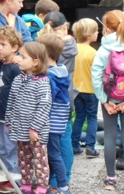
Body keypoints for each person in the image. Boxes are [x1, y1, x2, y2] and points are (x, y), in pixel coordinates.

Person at [5, 42, 52, 194]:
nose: (18, 59)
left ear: (35, 62)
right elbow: (11, 102)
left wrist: (35, 128)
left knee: (39, 160)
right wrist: (9, 121)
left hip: (36, 133)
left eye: (23, 57)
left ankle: (41, 187)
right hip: (19, 129)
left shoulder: (42, 83)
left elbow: (44, 107)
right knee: (23, 158)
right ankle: (25, 184)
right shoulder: (18, 80)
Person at [39, 11, 77, 189]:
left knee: (56, 147)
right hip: (65, 103)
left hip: (54, 107)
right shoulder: (68, 45)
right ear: (64, 27)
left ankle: (58, 181)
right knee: (62, 143)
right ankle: (60, 180)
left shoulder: (53, 51)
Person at [91, 10, 124, 190]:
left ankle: (111, 178)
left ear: (107, 28)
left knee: (110, 135)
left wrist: (103, 100)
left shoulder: (104, 49)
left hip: (110, 98)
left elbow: (96, 76)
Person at [36, 34, 71, 194]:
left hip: (51, 123)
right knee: (51, 154)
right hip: (59, 122)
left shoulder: (49, 76)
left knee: (53, 155)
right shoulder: (61, 70)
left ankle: (62, 186)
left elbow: (46, 100)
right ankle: (49, 183)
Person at [0, 26, 23, 193]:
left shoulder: (17, 68)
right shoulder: (1, 64)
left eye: (3, 45)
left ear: (15, 48)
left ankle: (15, 179)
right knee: (2, 147)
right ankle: (6, 175)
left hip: (11, 116)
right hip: (0, 113)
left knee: (11, 147)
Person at [71, 18, 100, 158]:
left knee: (79, 117)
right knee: (92, 118)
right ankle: (90, 147)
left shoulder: (72, 50)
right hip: (91, 90)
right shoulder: (93, 52)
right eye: (96, 31)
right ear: (89, 35)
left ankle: (74, 145)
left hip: (76, 90)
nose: (98, 33)